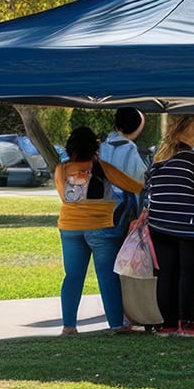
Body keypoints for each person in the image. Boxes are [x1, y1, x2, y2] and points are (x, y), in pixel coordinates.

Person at [54, 126, 145, 335]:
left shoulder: (61, 169)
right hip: (101, 227)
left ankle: (69, 326)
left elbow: (63, 195)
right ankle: (116, 325)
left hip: (70, 227)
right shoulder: (102, 167)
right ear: (95, 148)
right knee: (106, 276)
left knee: (73, 276)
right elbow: (134, 185)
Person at [145, 114, 194, 337]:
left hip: (159, 223)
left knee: (167, 273)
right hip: (191, 224)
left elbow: (149, 190)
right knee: (190, 273)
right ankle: (187, 324)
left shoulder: (158, 159)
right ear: (188, 131)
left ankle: (168, 323)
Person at [100, 106, 148, 235]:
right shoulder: (130, 150)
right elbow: (142, 182)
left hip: (98, 211)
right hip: (120, 215)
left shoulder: (102, 147)